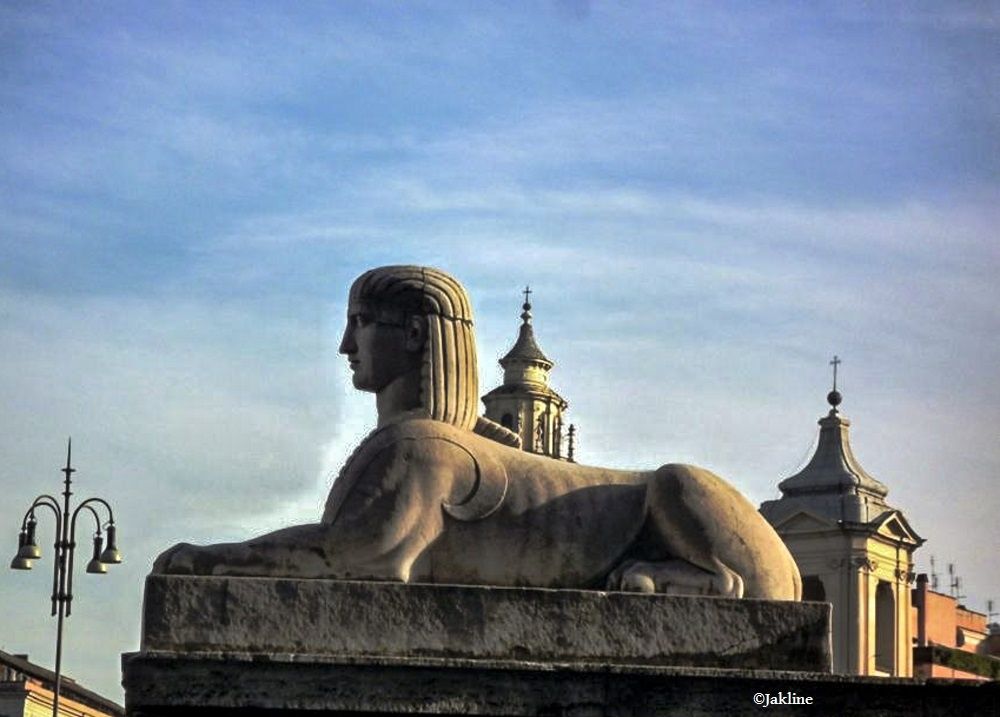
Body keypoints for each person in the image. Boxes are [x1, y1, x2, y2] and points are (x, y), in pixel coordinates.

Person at [154, 265, 801, 600]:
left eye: (361, 322)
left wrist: (216, 558)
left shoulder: (424, 452)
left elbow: (358, 559)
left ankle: (713, 579)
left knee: (677, 482)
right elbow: (345, 544)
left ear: (414, 334)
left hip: (721, 556)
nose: (346, 344)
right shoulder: (426, 444)